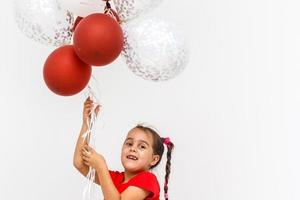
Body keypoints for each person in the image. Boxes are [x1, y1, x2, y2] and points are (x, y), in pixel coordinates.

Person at [73, 97, 174, 200]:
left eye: (142, 146)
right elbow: (79, 162)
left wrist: (101, 167)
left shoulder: (148, 179)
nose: (133, 149)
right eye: (129, 144)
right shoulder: (116, 179)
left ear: (154, 159)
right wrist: (87, 123)